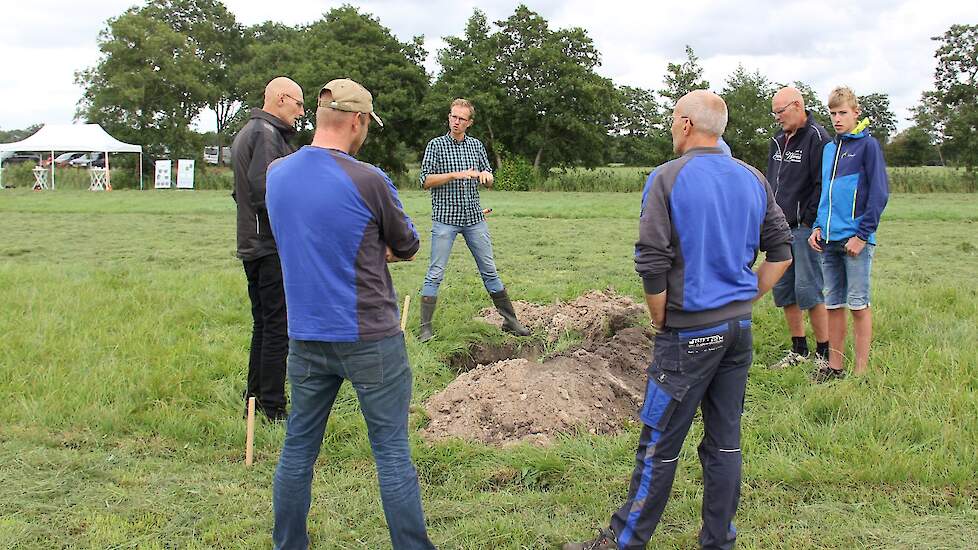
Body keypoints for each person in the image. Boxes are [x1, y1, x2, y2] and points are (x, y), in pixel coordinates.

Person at [563, 90, 792, 550]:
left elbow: (651, 261)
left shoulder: (667, 178)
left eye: (672, 120)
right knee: (725, 443)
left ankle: (624, 542)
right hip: (738, 331)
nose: (671, 128)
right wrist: (748, 294)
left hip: (688, 333)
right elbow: (782, 251)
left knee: (658, 445)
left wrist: (660, 317)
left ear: (686, 124)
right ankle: (718, 541)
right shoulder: (752, 177)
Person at [266, 78, 436, 550]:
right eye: (367, 125)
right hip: (370, 337)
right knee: (392, 453)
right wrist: (370, 247)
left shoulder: (277, 173)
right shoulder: (368, 179)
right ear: (357, 121)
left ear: (320, 115)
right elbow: (407, 245)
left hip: (305, 335)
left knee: (298, 449)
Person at [417, 98, 530, 342]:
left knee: (489, 270)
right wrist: (455, 174)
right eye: (453, 117)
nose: (456, 122)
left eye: (461, 119)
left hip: (474, 219)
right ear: (449, 117)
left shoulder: (476, 146)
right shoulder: (436, 146)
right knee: (435, 273)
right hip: (445, 219)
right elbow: (425, 181)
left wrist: (487, 178)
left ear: (470, 122)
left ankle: (511, 322)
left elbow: (487, 174)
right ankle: (425, 329)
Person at [231, 76, 305, 421]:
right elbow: (266, 192)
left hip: (254, 242)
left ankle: (255, 399)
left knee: (264, 324)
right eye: (298, 104)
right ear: (280, 99)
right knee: (277, 327)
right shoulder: (265, 134)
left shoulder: (254, 131)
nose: (301, 113)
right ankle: (273, 407)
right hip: (268, 244)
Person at [808, 86, 889, 381]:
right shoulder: (830, 149)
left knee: (858, 305)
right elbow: (825, 194)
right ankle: (835, 367)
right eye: (832, 113)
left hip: (855, 240)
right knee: (833, 305)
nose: (837, 119)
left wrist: (863, 234)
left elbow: (879, 194)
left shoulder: (868, 147)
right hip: (828, 240)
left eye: (843, 113)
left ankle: (860, 371)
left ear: (856, 113)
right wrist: (818, 226)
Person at [766, 86, 833, 370]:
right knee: (784, 290)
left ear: (797, 105)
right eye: (775, 113)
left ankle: (824, 352)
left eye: (780, 112)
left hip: (803, 229)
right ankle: (798, 349)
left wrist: (807, 220)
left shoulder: (818, 139)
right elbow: (772, 180)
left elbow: (822, 183)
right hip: (778, 228)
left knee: (809, 290)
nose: (777, 118)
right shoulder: (777, 140)